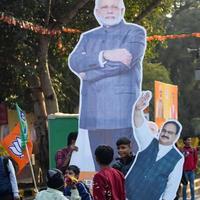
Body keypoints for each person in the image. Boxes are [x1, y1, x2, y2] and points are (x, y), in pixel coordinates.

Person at [68, 0, 146, 170]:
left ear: (122, 9)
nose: (109, 11)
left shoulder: (135, 32)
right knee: (102, 171)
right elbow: (74, 61)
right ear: (96, 11)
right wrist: (105, 55)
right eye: (104, 7)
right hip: (93, 114)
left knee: (125, 170)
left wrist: (88, 74)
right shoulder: (88, 37)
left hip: (121, 114)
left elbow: (124, 64)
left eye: (114, 6)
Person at [125, 91, 184, 200]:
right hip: (125, 196)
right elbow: (139, 125)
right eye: (164, 130)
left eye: (170, 133)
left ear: (176, 137)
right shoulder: (149, 141)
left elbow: (172, 187)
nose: (165, 134)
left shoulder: (178, 158)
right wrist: (138, 110)